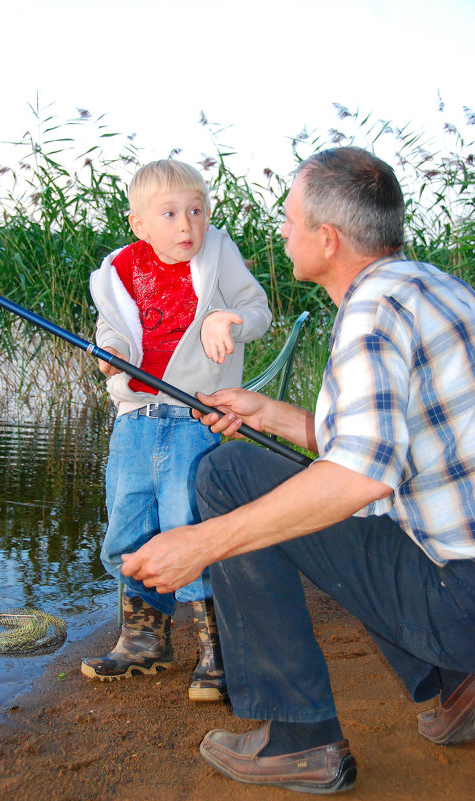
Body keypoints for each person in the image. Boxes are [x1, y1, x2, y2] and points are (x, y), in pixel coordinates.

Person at [120, 146, 475, 793]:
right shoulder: (434, 287)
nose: (280, 232)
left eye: (288, 219)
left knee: (226, 476)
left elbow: (358, 476)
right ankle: (460, 683)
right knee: (275, 474)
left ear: (327, 238)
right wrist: (271, 413)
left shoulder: (369, 312)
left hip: (459, 602)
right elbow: (399, 441)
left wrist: (201, 541)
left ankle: (298, 736)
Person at [82, 159, 271, 702]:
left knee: (189, 525)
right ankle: (145, 641)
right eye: (170, 213)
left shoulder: (218, 252)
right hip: (134, 419)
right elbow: (112, 328)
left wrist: (226, 320)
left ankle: (219, 650)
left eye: (196, 209)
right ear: (140, 223)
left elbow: (257, 310)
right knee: (130, 526)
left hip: (194, 417)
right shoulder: (118, 268)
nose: (187, 224)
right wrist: (113, 354)